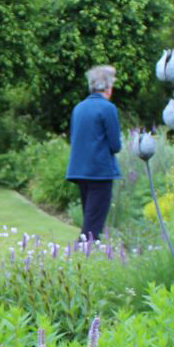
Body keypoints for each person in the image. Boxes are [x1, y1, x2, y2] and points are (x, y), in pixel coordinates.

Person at [65, 64, 123, 243]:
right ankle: (81, 258)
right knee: (92, 227)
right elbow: (115, 145)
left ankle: (86, 256)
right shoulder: (107, 108)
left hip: (80, 171)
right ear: (107, 87)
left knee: (90, 218)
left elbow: (75, 139)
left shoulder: (79, 108)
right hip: (100, 171)